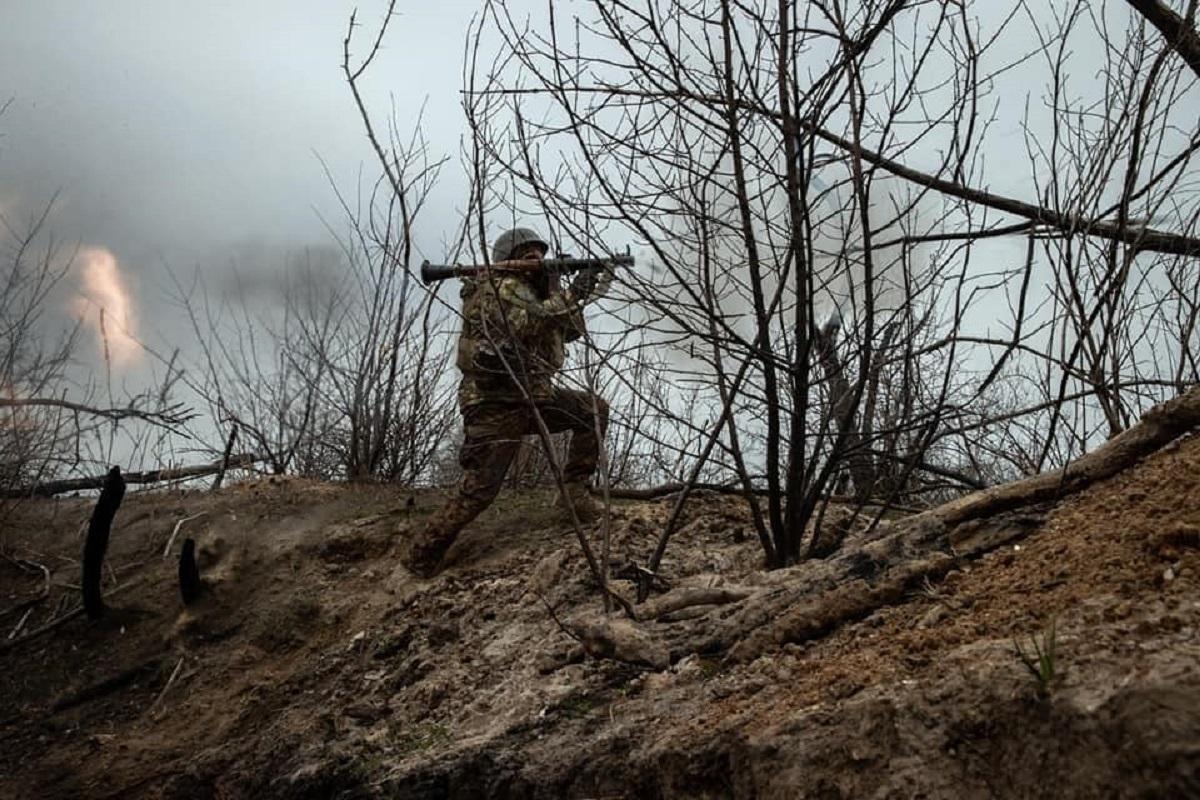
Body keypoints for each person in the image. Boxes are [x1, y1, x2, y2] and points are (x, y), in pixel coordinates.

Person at [403, 227, 613, 577]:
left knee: (592, 410)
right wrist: (570, 293)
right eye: (527, 255)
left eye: (540, 254)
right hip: (494, 403)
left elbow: (570, 331)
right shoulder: (496, 289)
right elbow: (526, 325)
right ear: (509, 260)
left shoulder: (535, 293)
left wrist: (565, 289)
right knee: (479, 492)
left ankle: (574, 495)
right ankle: (417, 560)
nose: (536, 260)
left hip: (532, 396)